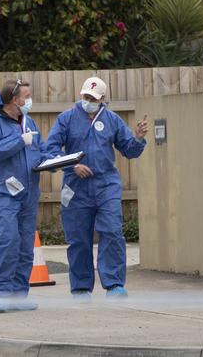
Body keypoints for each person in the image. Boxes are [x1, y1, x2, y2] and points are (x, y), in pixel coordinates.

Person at [46, 77, 149, 299]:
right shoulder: (66, 119)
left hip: (106, 185)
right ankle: (81, 287)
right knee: (79, 238)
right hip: (76, 188)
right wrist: (72, 165)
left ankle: (113, 284)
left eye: (93, 98)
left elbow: (129, 150)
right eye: (85, 96)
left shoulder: (112, 120)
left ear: (103, 99)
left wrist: (138, 138)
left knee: (112, 231)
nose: (88, 101)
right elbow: (51, 151)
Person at [0, 79, 46, 312]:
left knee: (26, 245)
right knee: (8, 241)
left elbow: (41, 150)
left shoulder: (29, 122)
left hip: (28, 193)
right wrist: (19, 141)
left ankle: (19, 295)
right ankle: (3, 293)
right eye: (26, 96)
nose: (29, 100)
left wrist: (55, 162)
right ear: (14, 100)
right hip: (3, 192)